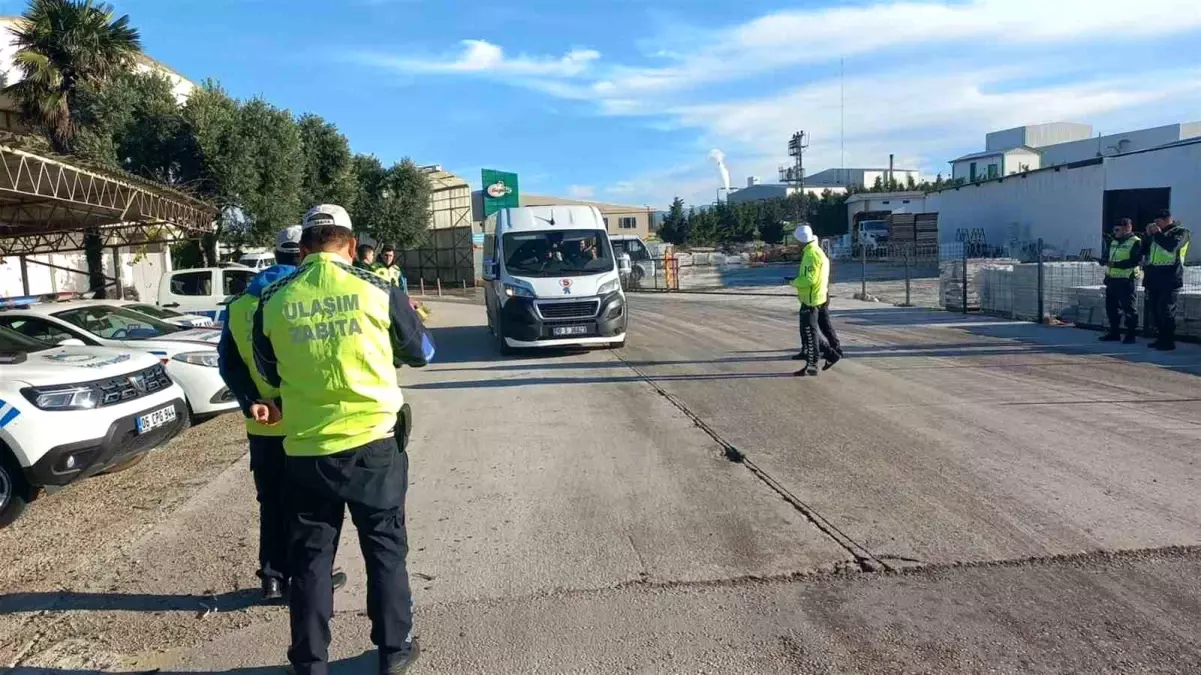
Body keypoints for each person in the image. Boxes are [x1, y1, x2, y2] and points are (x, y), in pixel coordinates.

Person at [252, 204, 434, 675]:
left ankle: (310, 663)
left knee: (311, 561)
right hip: (374, 443)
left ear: (305, 247)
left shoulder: (273, 298)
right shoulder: (378, 287)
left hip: (307, 450)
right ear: (352, 247)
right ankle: (394, 650)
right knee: (385, 549)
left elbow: (268, 371)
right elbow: (422, 353)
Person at [216, 225, 348, 602]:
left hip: (262, 425)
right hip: (309, 422)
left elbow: (229, 365)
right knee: (314, 507)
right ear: (304, 254)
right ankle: (312, 576)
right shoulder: (304, 296)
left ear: (275, 255)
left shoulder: (239, 304)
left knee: (271, 501)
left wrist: (252, 402)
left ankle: (272, 578)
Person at [789, 225, 839, 376]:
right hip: (816, 296)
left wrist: (794, 282)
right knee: (811, 332)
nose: (795, 244)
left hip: (812, 299)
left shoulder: (811, 255)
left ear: (801, 241)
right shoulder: (814, 251)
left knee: (811, 334)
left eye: (796, 241)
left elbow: (809, 279)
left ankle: (813, 365)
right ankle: (831, 355)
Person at [1142, 209, 1191, 351]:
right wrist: (1148, 235)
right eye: (1155, 222)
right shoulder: (1155, 235)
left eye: (1159, 222)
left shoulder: (1181, 232)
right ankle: (1160, 338)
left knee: (1166, 310)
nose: (1156, 225)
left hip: (1170, 277)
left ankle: (1168, 340)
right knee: (1155, 310)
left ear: (1168, 219)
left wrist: (1157, 233)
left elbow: (1171, 246)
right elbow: (1144, 251)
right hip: (1153, 277)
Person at [1098, 218, 1143, 344]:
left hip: (1126, 280)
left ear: (1127, 228)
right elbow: (1108, 256)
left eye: (1117, 229)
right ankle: (1114, 333)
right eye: (1114, 229)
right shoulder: (1113, 241)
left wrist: (1115, 264)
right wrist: (1104, 261)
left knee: (1129, 309)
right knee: (1112, 309)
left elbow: (1135, 261)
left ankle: (1131, 335)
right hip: (1112, 279)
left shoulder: (1135, 242)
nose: (1115, 231)